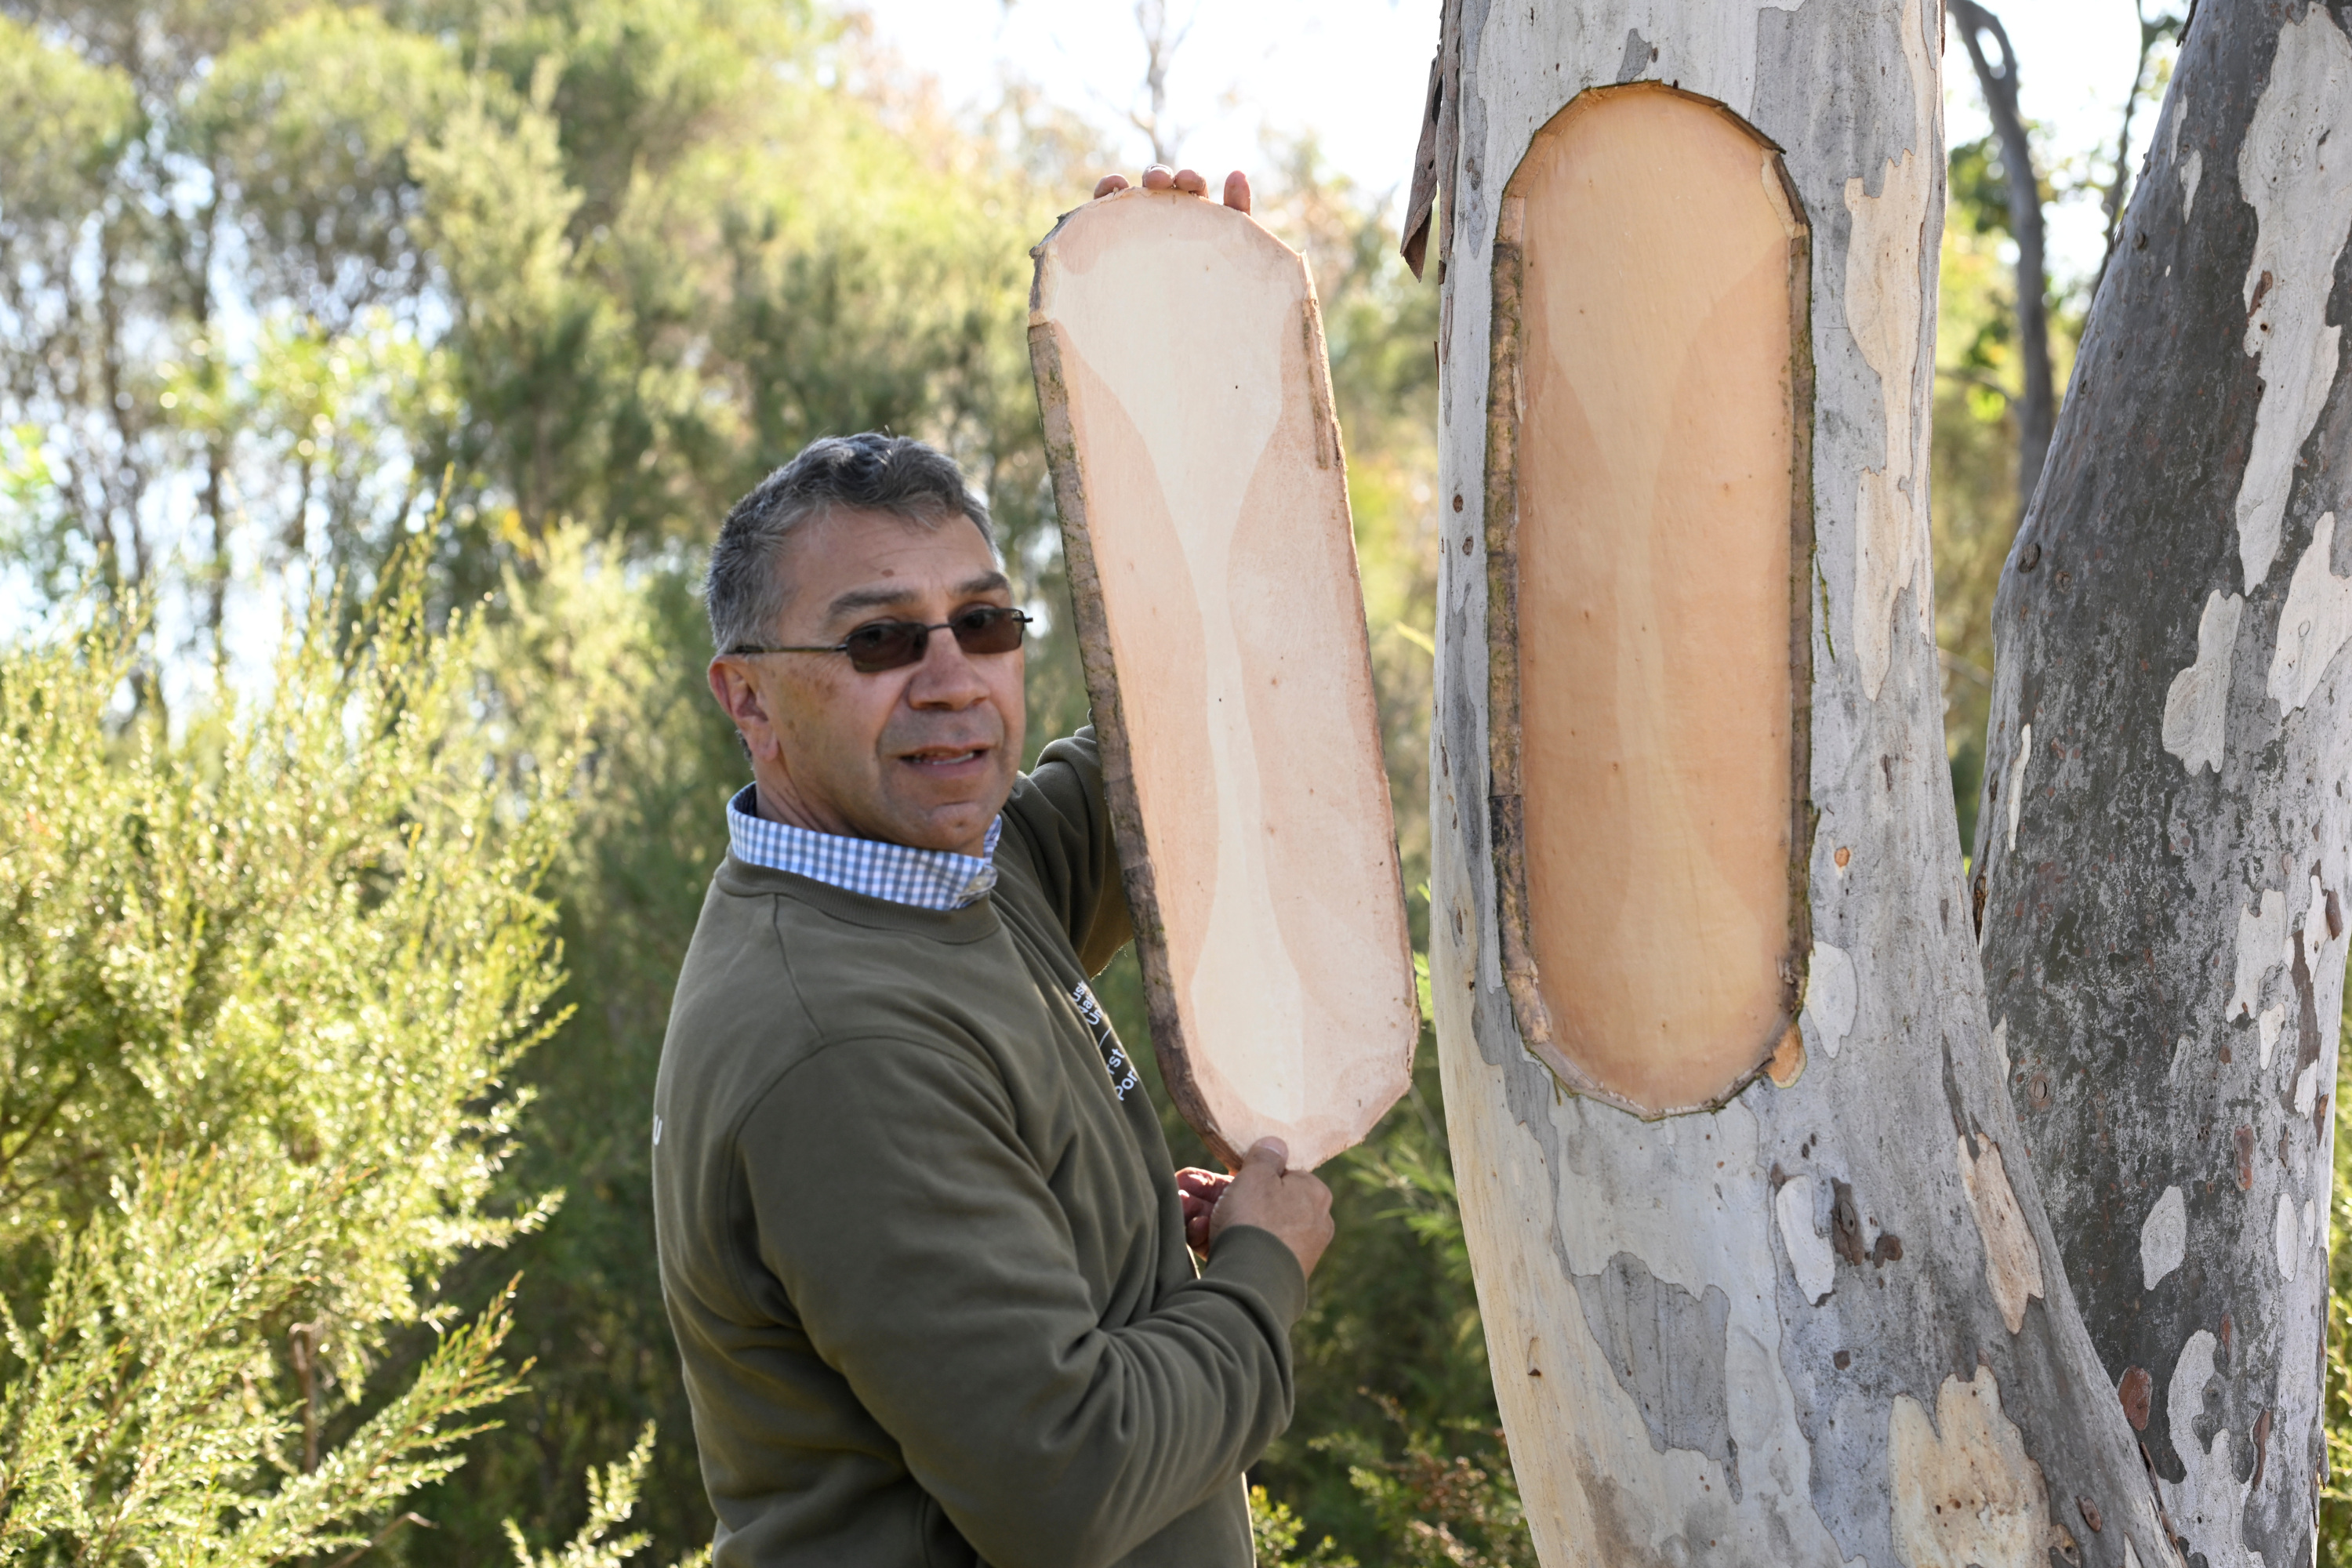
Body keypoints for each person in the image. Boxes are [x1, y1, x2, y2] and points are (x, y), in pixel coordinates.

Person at [651, 165, 1336, 1568]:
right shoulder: (837, 1039)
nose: (955, 679)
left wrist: (1177, 349)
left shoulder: (955, 867)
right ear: (750, 699)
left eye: (985, 621)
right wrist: (1261, 1263)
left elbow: (1200, 731)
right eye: (880, 641)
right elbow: (1068, 1484)